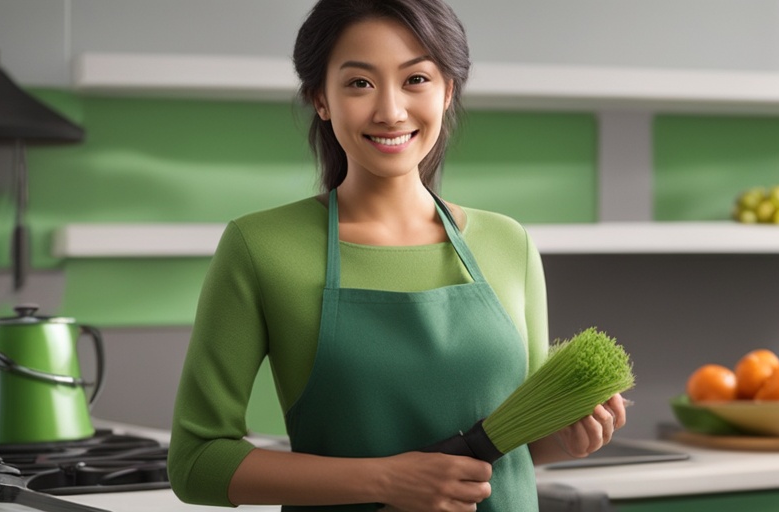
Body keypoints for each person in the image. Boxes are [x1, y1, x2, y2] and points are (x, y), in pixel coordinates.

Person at [167, 0, 627, 510]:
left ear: (448, 90)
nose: (390, 110)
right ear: (320, 98)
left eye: (416, 80)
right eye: (360, 83)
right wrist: (385, 481)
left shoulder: (508, 243)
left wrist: (566, 437)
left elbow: (516, 444)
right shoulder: (261, 248)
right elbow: (196, 461)